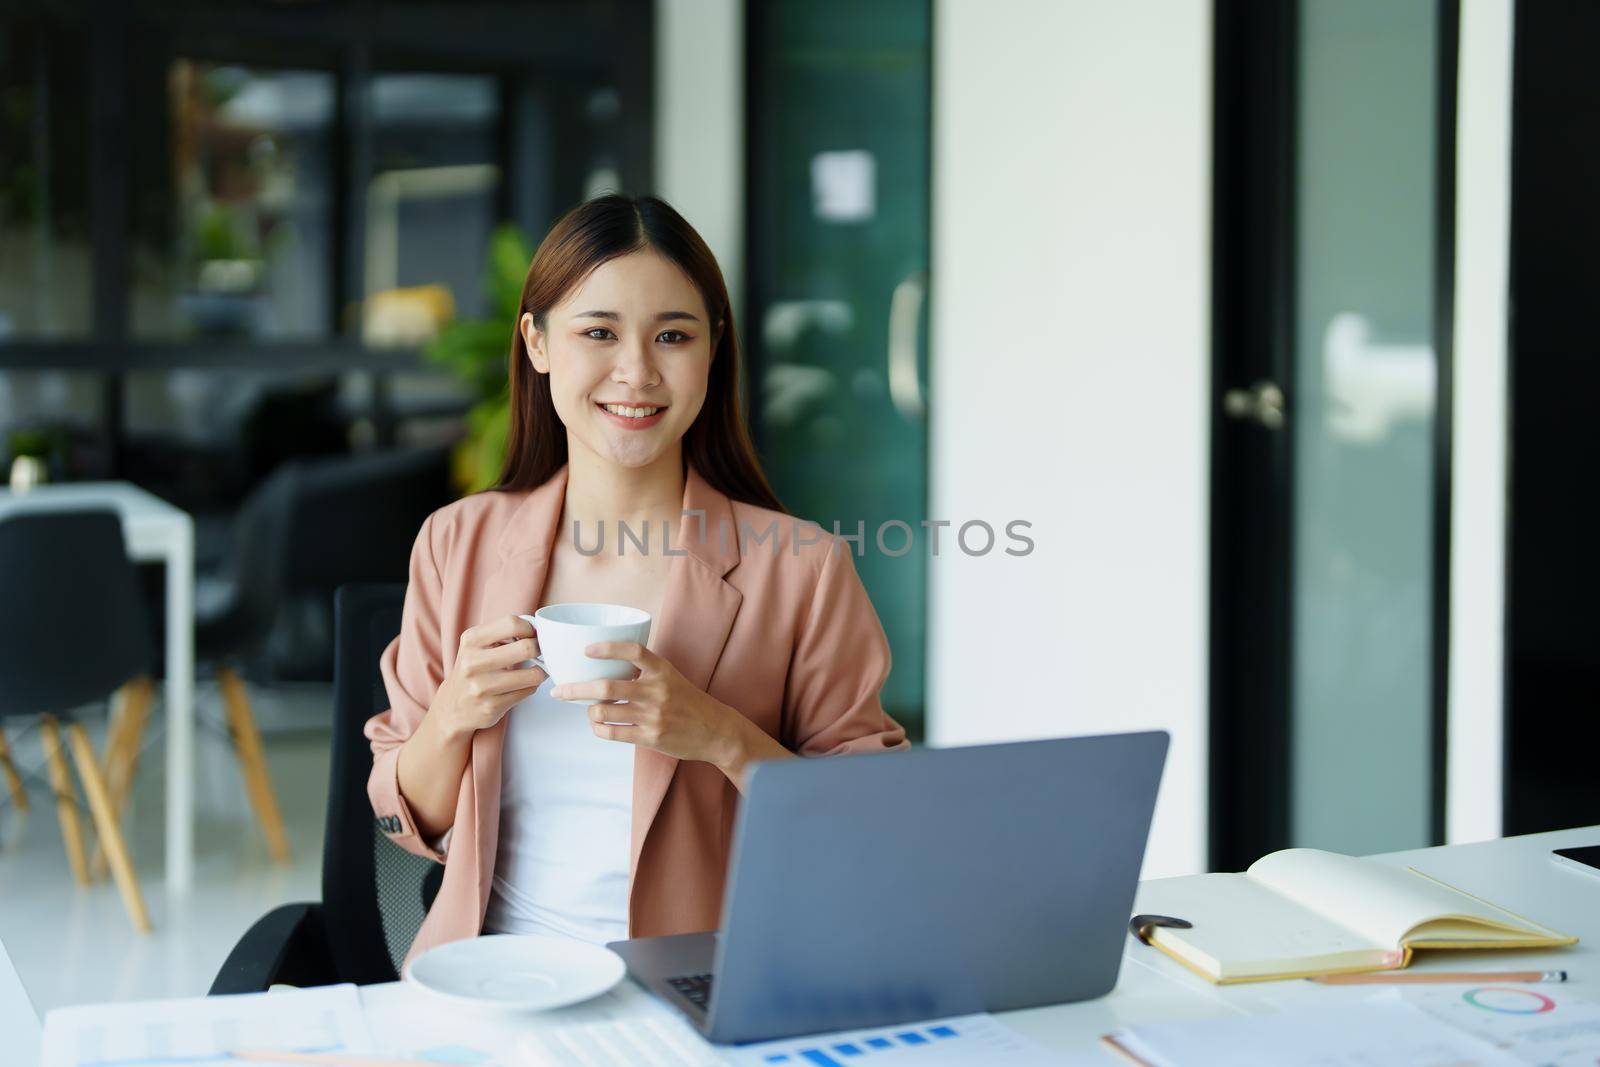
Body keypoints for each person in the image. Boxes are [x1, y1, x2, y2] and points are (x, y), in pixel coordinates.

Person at [365, 194, 908, 967]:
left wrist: (717, 734)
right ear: (538, 341)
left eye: (673, 336)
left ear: (713, 350)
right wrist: (452, 713)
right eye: (598, 332)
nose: (637, 372)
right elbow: (403, 816)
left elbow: (873, 828)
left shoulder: (803, 567)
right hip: (493, 981)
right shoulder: (457, 542)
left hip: (706, 985)